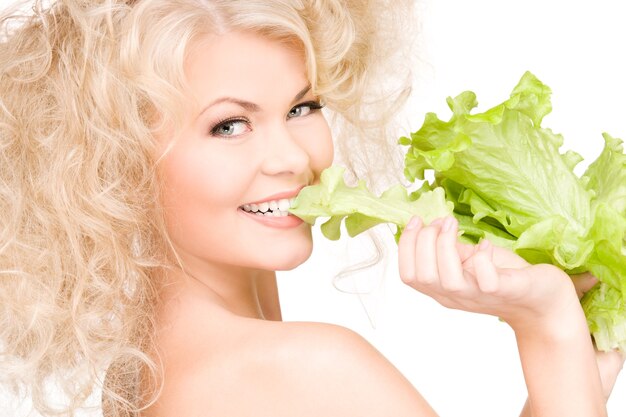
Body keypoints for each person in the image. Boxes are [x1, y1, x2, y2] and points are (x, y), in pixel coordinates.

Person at [0, 1, 622, 416]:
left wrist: (568, 382)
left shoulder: (157, 367)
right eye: (229, 125)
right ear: (114, 165)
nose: (291, 157)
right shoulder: (303, 367)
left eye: (302, 108)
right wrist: (549, 328)